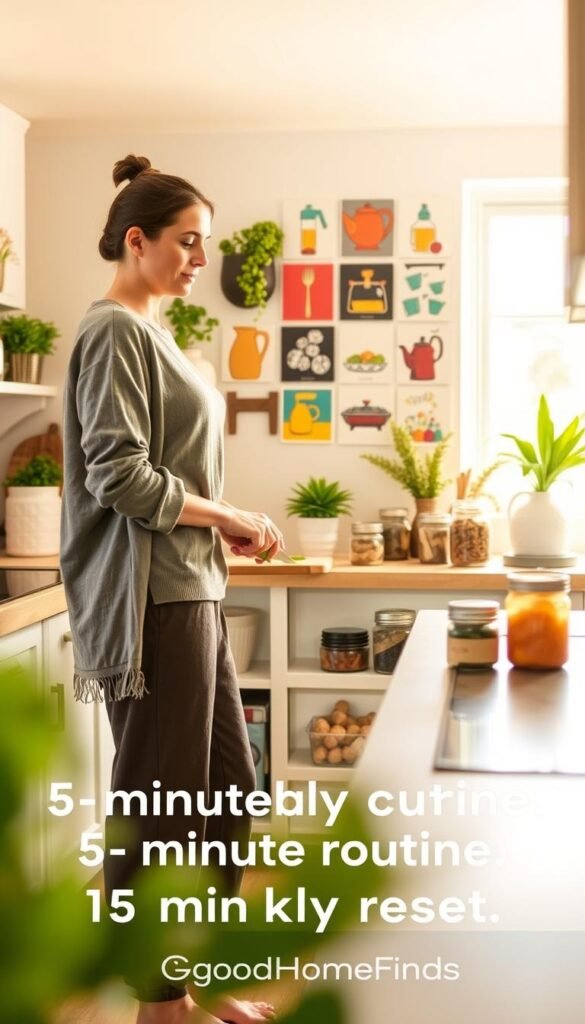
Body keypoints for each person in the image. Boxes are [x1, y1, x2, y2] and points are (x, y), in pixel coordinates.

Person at [60, 154, 283, 1024]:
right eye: (188, 243)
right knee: (160, 803)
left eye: (206, 244)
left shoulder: (156, 332)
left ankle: (197, 979)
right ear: (136, 239)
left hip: (189, 589)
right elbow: (120, 475)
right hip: (150, 597)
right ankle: (159, 1003)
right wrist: (225, 514)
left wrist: (223, 523)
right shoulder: (113, 329)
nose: (200, 259)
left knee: (224, 792)